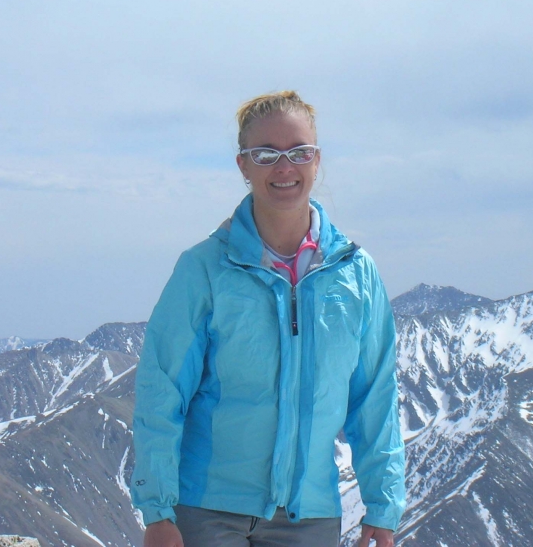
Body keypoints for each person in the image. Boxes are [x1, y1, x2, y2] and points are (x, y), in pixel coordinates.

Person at [131, 91, 406, 547]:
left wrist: (382, 505)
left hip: (309, 515)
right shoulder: (204, 269)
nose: (284, 167)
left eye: (298, 152)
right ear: (243, 165)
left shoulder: (356, 275)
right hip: (207, 512)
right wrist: (157, 509)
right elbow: (161, 390)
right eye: (266, 154)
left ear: (316, 161)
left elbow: (374, 397)